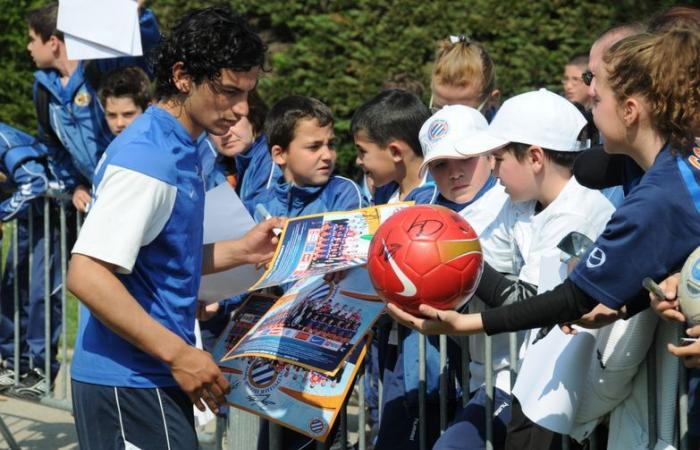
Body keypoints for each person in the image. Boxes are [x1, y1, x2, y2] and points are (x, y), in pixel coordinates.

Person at [386, 28, 700, 384]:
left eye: (596, 103)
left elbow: (575, 298)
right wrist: (649, 293)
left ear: (630, 111)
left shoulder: (654, 197)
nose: (589, 110)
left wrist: (469, 323)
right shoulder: (679, 159)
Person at [65, 7, 283, 448]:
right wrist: (181, 355)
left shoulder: (179, 144)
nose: (241, 109)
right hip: (130, 380)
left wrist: (240, 251)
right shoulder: (151, 157)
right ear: (182, 76)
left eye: (248, 93)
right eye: (227, 92)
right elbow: (86, 273)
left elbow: (156, 259)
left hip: (148, 375)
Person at [376, 104, 531, 450]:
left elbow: (540, 297)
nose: (455, 173)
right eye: (442, 165)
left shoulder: (516, 205)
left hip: (519, 377)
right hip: (473, 376)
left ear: (490, 155)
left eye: (466, 159)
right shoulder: (425, 218)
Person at [25, 1, 160, 212]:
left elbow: (147, 52)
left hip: (137, 189)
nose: (29, 47)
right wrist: (76, 185)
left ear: (52, 42)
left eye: (32, 40)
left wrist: (136, 13)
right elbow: (52, 145)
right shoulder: (43, 90)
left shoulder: (101, 66)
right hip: (98, 201)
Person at [0, 123, 60, 398]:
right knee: (12, 287)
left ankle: (42, 370)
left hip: (50, 216)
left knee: (40, 293)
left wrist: (1, 213)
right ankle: (14, 364)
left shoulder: (4, 139)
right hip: (26, 219)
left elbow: (35, 181)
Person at [250, 95, 366, 221]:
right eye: (314, 147)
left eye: (331, 144)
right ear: (279, 154)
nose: (327, 155)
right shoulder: (263, 206)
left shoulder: (342, 193)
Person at [352, 89, 432, 205]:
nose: (358, 161)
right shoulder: (383, 194)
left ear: (396, 152)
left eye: (362, 151)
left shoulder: (439, 199)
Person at [429, 35, 499, 121]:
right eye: (439, 109)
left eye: (462, 113)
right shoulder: (423, 130)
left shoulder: (507, 132)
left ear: (492, 100)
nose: (448, 122)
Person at [99, 66, 152, 137]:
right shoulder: (101, 146)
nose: (119, 123)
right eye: (112, 115)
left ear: (148, 111)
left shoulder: (165, 145)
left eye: (128, 114)